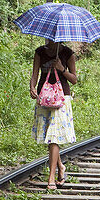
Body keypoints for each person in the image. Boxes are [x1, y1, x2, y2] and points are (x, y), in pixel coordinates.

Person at [29, 40, 79, 189]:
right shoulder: (40, 52)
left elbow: (74, 79)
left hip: (62, 98)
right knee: (49, 135)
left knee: (55, 136)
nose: (49, 40)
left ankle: (51, 177)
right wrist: (32, 87)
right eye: (47, 37)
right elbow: (35, 74)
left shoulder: (67, 53)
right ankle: (60, 167)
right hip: (44, 97)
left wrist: (61, 69)